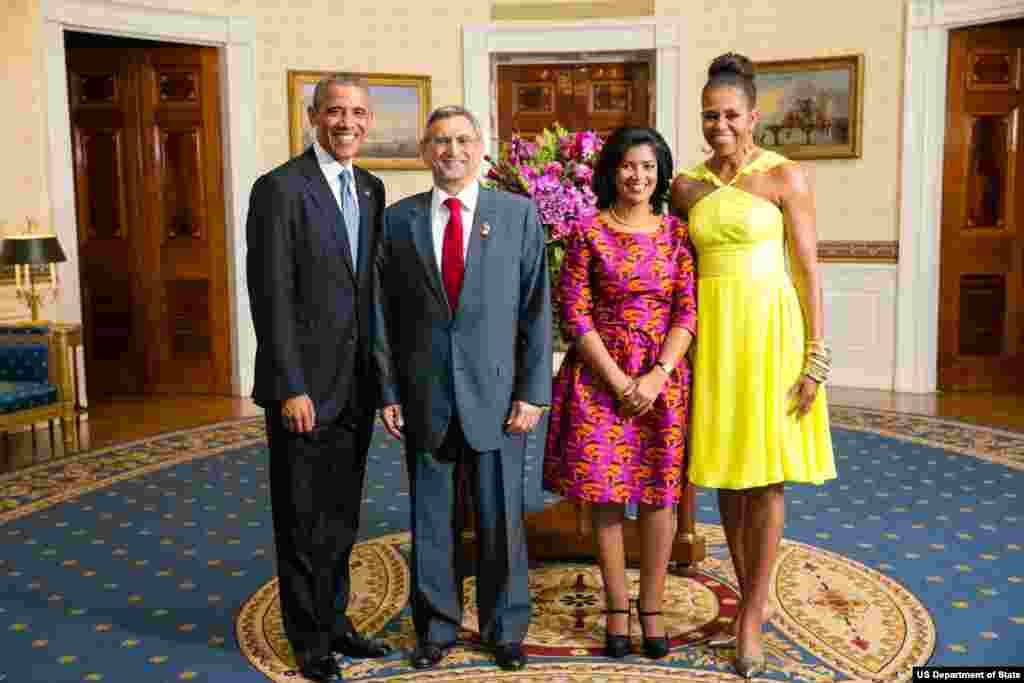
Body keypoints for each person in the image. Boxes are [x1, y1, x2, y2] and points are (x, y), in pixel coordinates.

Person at [671, 53, 836, 678]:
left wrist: (816, 353)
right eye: (710, 115)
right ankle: (749, 600)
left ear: (753, 116)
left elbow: (807, 269)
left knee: (765, 478)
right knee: (727, 477)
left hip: (772, 335)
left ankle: (749, 617)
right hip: (713, 338)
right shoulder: (685, 185)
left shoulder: (784, 176)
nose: (720, 126)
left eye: (730, 114)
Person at [372, 105, 552, 672]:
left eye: (463, 140)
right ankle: (436, 628)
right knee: (432, 520)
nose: (452, 151)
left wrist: (532, 392)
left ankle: (505, 628)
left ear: (481, 149)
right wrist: (388, 390)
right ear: (425, 152)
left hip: (499, 399)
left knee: (501, 520)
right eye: (440, 141)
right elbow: (381, 314)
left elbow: (535, 309)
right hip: (425, 395)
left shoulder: (518, 215)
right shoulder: (397, 221)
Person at [246, 75, 391, 683]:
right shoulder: (280, 188)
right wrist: (288, 386)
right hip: (305, 388)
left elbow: (374, 293)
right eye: (335, 111)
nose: (347, 122)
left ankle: (335, 623)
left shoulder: (372, 188)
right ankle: (309, 644)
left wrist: (384, 385)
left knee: (341, 518)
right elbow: (270, 294)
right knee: (302, 520)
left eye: (357, 112)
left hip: (355, 386)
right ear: (313, 116)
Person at [542, 127, 697, 660]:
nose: (639, 177)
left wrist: (656, 375)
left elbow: (687, 311)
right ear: (612, 171)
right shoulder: (586, 232)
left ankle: (650, 605)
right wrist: (618, 380)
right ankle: (614, 605)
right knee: (606, 496)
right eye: (629, 166)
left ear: (660, 174)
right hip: (599, 378)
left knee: (659, 494)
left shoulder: (677, 234)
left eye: (649, 167)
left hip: (662, 380)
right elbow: (574, 313)